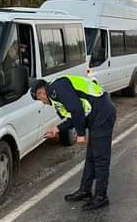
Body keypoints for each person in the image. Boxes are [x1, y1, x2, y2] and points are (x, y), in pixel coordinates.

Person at [31, 75, 117, 211]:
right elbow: (73, 117)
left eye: (39, 99)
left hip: (103, 113)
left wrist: (81, 134)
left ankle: (101, 197)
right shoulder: (56, 97)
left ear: (40, 92)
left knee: (100, 158)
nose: (42, 102)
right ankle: (85, 190)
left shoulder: (56, 88)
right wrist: (57, 129)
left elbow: (77, 109)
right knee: (91, 157)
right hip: (96, 115)